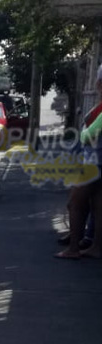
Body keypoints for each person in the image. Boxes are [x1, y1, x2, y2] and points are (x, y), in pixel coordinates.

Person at [56, 65, 102, 259]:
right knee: (97, 205)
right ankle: (96, 248)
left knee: (75, 203)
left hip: (93, 161)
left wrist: (82, 132)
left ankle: (73, 248)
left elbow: (88, 135)